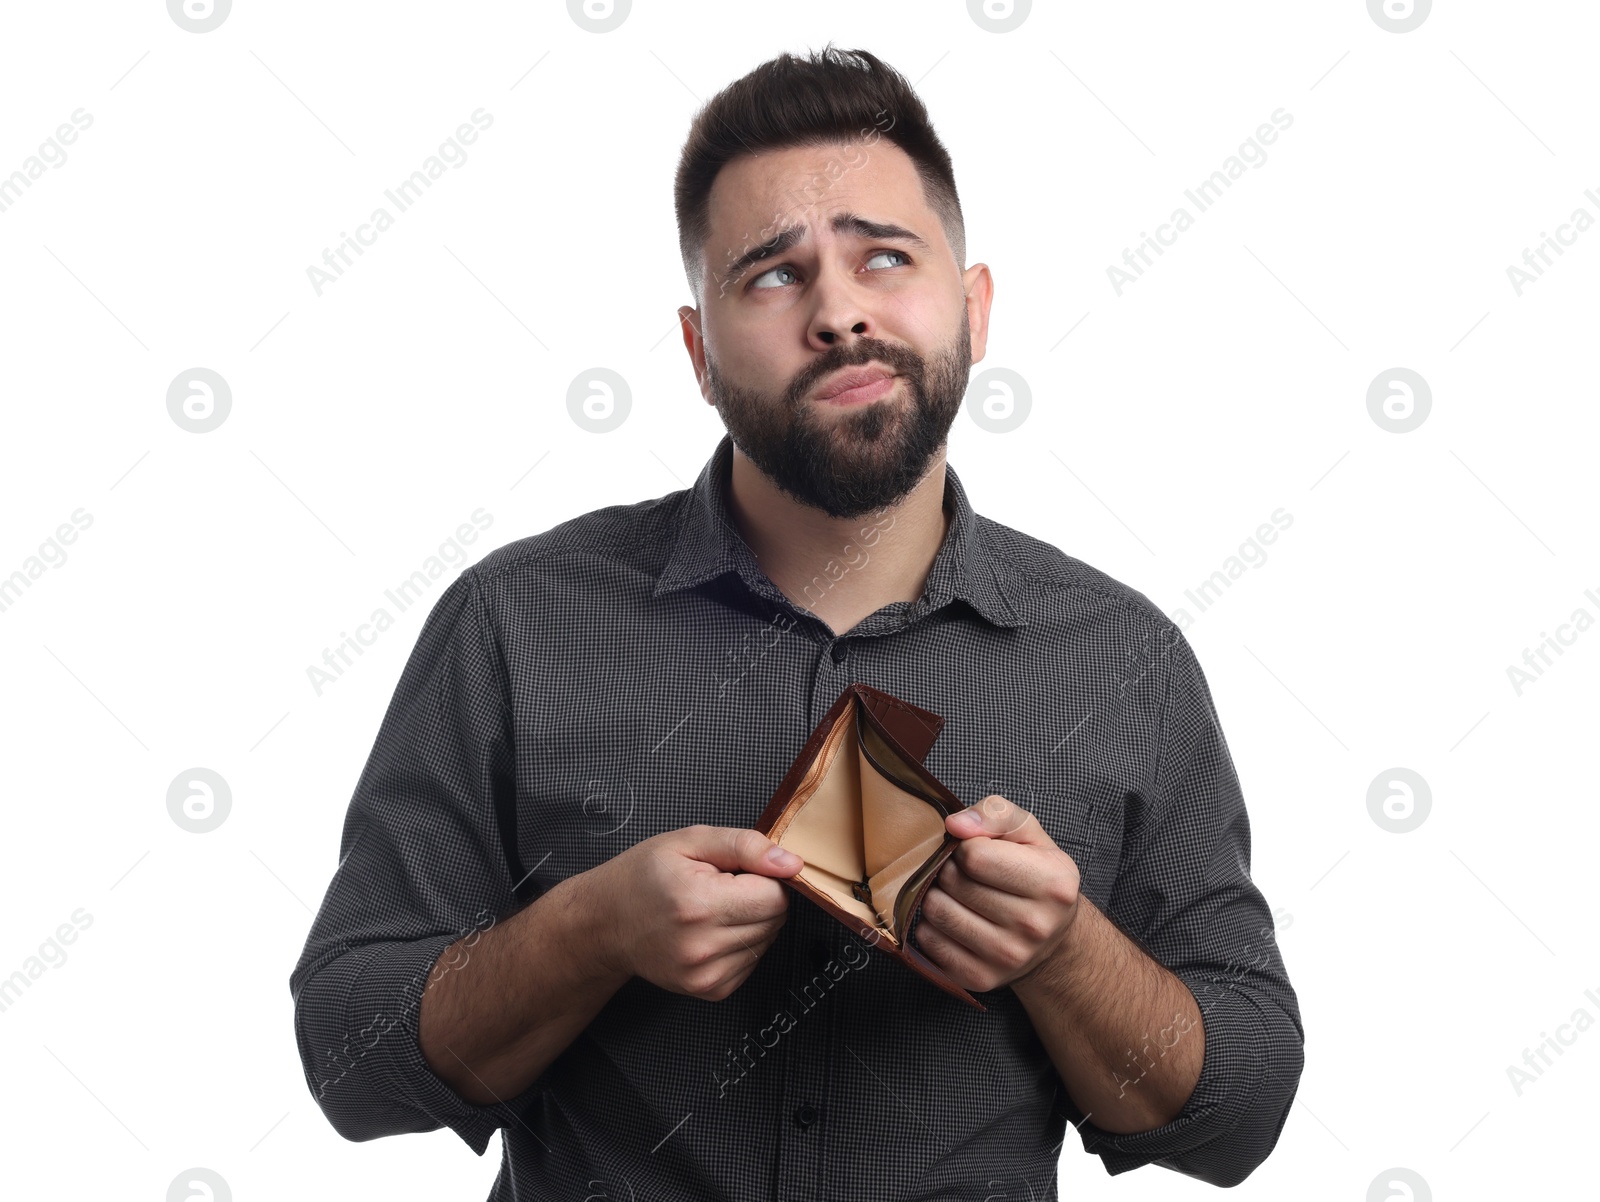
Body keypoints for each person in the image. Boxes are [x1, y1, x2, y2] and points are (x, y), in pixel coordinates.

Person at [289, 44, 1304, 1200]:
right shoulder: (512, 623)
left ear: (971, 307)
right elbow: (347, 1059)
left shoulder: (1124, 662)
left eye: (885, 258)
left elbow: (1240, 1114)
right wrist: (593, 930)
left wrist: (1067, 951)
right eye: (772, 275)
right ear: (698, 353)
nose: (838, 313)